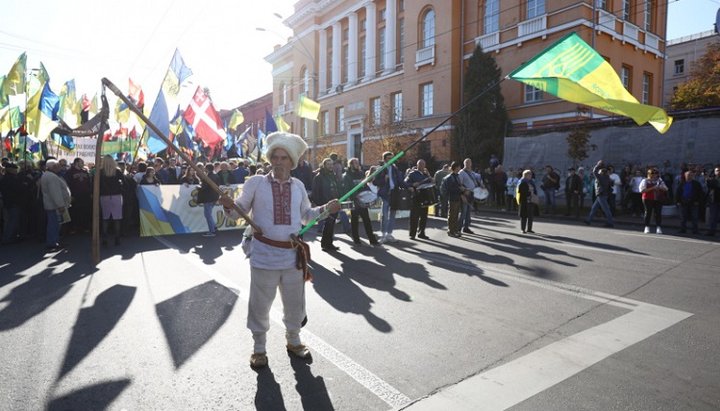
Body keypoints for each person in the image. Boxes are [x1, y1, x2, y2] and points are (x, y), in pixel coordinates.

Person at [219, 132, 341, 369]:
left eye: (284, 158)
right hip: (263, 256)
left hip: (292, 256)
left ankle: (294, 341)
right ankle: (259, 349)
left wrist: (327, 208)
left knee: (295, 304)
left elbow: (307, 217)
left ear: (292, 162)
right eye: (275, 156)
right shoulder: (255, 182)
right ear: (269, 159)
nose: (278, 162)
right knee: (259, 305)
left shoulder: (299, 186)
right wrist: (228, 206)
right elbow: (237, 213)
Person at [342, 157, 379, 246]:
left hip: (362, 201)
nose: (358, 165)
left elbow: (365, 185)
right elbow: (346, 189)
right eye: (356, 163)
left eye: (358, 163)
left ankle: (372, 239)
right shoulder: (346, 176)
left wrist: (368, 195)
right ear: (351, 165)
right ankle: (356, 239)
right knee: (354, 221)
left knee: (367, 220)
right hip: (354, 201)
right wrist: (354, 197)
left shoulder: (360, 173)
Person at [39, 159, 71, 251]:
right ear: (53, 167)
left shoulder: (48, 175)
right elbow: (55, 193)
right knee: (54, 225)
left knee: (54, 224)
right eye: (58, 166)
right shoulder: (52, 177)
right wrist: (60, 205)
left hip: (52, 205)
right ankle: (52, 242)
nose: (60, 167)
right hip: (55, 206)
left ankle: (54, 241)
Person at [374, 151, 406, 243]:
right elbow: (375, 182)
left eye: (392, 158)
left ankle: (389, 234)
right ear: (384, 159)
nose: (391, 160)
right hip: (385, 195)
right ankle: (383, 234)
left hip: (394, 193)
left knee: (392, 214)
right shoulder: (380, 169)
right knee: (384, 215)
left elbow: (400, 181)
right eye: (389, 158)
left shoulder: (395, 169)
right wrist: (384, 180)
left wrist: (409, 187)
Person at [312, 158, 342, 252]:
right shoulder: (319, 177)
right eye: (328, 164)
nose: (330, 166)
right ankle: (326, 244)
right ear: (324, 165)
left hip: (334, 204)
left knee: (331, 225)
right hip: (325, 204)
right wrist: (322, 205)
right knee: (328, 224)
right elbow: (315, 193)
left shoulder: (332, 175)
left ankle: (328, 243)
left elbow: (336, 188)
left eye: (331, 164)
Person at [98, 155, 125, 246]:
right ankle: (117, 238)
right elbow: (124, 183)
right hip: (116, 196)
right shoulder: (117, 171)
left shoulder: (100, 172)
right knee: (117, 219)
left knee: (105, 218)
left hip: (104, 196)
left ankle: (105, 239)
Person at [405, 159, 433, 240]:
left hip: (425, 197)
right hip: (416, 197)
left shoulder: (425, 174)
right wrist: (412, 184)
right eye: (420, 164)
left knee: (424, 216)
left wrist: (429, 175)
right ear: (417, 165)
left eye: (423, 164)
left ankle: (421, 233)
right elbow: (405, 183)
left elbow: (432, 182)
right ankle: (412, 234)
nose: (422, 166)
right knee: (414, 217)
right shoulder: (412, 174)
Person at [64, 158, 92, 233]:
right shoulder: (70, 172)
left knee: (84, 211)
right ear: (76, 162)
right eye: (81, 162)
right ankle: (74, 228)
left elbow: (89, 183)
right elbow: (67, 184)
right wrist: (70, 195)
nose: (83, 163)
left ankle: (84, 227)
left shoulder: (85, 172)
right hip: (75, 195)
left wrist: (90, 192)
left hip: (85, 196)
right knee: (74, 212)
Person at [584, 160, 614, 228]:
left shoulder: (601, 177)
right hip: (602, 194)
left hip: (601, 195)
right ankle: (588, 220)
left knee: (606, 209)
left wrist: (598, 165)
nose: (599, 172)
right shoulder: (607, 178)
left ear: (602, 172)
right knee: (594, 208)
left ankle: (610, 222)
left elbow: (594, 171)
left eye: (600, 171)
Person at [639, 167, 668, 234]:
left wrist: (661, 187)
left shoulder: (660, 180)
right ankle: (647, 227)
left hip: (658, 198)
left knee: (658, 213)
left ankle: (658, 227)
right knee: (648, 212)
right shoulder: (645, 180)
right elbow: (642, 190)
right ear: (649, 174)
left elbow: (666, 189)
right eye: (652, 173)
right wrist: (653, 188)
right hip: (648, 198)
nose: (654, 175)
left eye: (656, 173)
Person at [675, 169, 704, 234]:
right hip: (683, 202)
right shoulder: (682, 183)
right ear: (685, 176)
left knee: (695, 217)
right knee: (683, 217)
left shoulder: (696, 184)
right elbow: (678, 193)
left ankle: (695, 230)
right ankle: (683, 229)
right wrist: (678, 201)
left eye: (690, 175)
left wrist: (698, 201)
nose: (689, 176)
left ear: (693, 176)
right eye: (688, 175)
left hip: (694, 202)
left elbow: (700, 193)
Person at [197, 163, 222, 237]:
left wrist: (199, 188)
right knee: (209, 214)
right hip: (214, 197)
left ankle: (212, 231)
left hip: (208, 197)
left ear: (207, 169)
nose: (204, 169)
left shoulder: (207, 176)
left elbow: (204, 187)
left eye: (205, 168)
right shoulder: (216, 175)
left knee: (208, 215)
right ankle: (214, 227)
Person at [441, 161, 464, 237]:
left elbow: (458, 185)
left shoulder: (457, 176)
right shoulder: (450, 177)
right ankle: (451, 231)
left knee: (456, 215)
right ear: (456, 167)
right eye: (459, 167)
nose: (460, 168)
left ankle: (454, 230)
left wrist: (461, 189)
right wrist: (459, 189)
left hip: (457, 198)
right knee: (452, 215)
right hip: (452, 198)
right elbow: (449, 189)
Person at [457, 158, 479, 234]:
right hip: (465, 194)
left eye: (469, 162)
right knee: (463, 212)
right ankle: (458, 228)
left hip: (471, 194)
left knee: (468, 213)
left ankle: (466, 228)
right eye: (466, 163)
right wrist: (462, 194)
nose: (468, 164)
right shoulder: (461, 172)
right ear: (464, 164)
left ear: (471, 164)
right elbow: (459, 184)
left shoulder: (472, 173)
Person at [517, 169, 537, 233]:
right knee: (524, 216)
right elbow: (521, 191)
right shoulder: (522, 182)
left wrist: (534, 195)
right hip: (524, 201)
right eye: (529, 174)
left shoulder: (532, 182)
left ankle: (529, 229)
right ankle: (523, 229)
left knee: (530, 215)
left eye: (530, 174)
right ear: (525, 175)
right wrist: (529, 192)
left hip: (531, 201)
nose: (530, 176)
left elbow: (535, 190)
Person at [705, 166, 720, 236]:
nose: (718, 172)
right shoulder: (712, 179)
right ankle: (711, 231)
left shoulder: (713, 180)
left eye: (719, 170)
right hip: (714, 200)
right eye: (717, 171)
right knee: (713, 216)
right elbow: (710, 186)